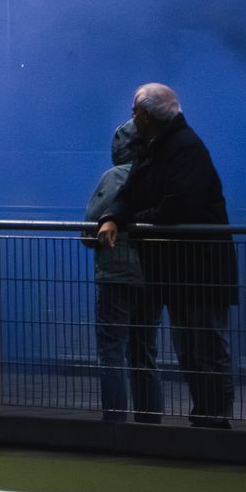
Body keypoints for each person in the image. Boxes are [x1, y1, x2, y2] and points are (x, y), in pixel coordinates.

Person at [95, 84, 235, 430]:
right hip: (179, 270)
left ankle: (215, 422)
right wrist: (112, 217)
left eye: (134, 111)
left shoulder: (186, 149)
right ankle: (206, 419)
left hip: (200, 270)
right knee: (191, 351)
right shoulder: (157, 148)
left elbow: (179, 205)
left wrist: (134, 222)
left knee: (206, 351)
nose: (132, 117)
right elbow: (128, 194)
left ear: (145, 115)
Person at [83, 120, 160, 424]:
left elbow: (91, 223)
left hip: (117, 275)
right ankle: (149, 425)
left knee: (112, 351)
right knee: (145, 354)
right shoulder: (162, 175)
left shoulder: (115, 176)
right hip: (154, 275)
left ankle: (115, 425)